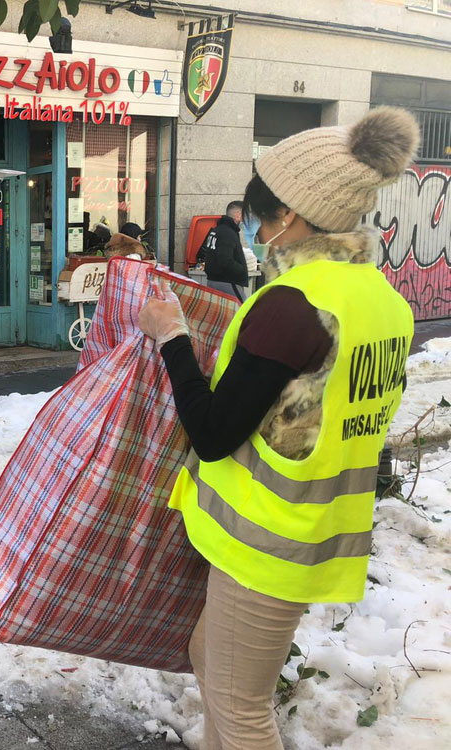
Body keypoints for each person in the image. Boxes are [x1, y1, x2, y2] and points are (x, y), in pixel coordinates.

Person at [137, 107, 418, 749]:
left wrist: (173, 337)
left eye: (265, 217)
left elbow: (212, 432)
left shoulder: (293, 304)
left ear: (289, 215)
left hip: (265, 545)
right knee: (214, 664)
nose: (262, 232)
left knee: (240, 710)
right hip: (316, 531)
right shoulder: (382, 302)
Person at [197, 201, 248, 301]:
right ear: (238, 215)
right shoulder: (228, 233)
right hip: (228, 282)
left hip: (214, 281)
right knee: (243, 312)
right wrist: (242, 270)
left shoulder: (217, 230)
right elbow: (226, 260)